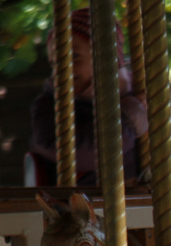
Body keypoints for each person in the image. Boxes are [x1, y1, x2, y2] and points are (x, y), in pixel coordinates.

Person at [28, 8, 149, 186]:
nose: (62, 68)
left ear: (105, 56)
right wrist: (129, 118)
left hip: (139, 197)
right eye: (55, 62)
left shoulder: (137, 96)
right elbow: (73, 154)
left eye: (74, 56)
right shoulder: (48, 105)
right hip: (84, 199)